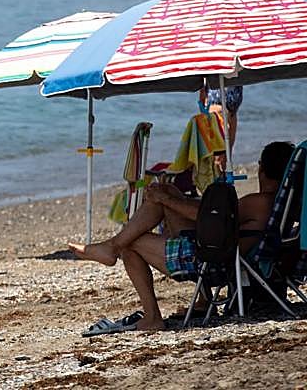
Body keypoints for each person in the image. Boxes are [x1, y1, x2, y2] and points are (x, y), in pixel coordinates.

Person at [70, 140, 293, 331]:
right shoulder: (281, 204)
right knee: (166, 192)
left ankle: (151, 316)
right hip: (221, 250)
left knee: (130, 243)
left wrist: (166, 200)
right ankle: (202, 300)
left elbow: (213, 219)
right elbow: (215, 218)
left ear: (261, 169)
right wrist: (168, 197)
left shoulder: (260, 203)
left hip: (210, 259)